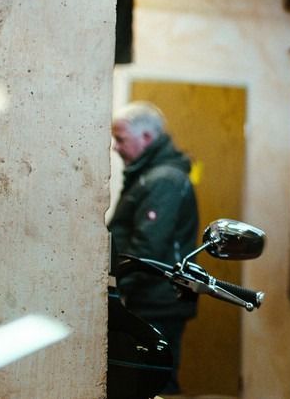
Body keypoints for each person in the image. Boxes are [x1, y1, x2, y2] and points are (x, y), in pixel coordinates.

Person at [109, 101, 199, 395]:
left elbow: (147, 247)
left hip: (156, 301)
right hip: (149, 296)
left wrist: (114, 286)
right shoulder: (147, 176)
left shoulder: (164, 180)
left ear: (146, 137)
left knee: (155, 384)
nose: (115, 147)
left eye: (120, 139)